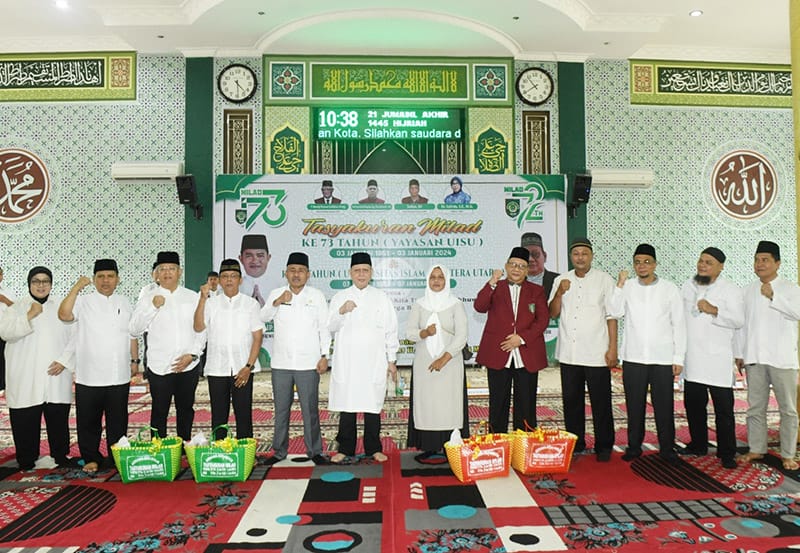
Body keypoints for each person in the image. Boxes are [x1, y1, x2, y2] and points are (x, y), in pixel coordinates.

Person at [58, 259, 139, 474]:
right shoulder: (82, 301)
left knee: (118, 421)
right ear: (94, 280)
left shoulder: (124, 301)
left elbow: (131, 334)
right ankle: (91, 457)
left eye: (110, 276)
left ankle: (117, 458)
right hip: (89, 374)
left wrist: (135, 360)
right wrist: (76, 288)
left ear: (117, 279)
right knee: (88, 421)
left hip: (118, 373)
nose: (105, 280)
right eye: (101, 276)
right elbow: (64, 315)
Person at [608, 244, 686, 463]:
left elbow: (679, 324)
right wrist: (620, 285)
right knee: (634, 405)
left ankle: (667, 448)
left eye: (646, 261)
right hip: (634, 358)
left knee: (664, 406)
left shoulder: (670, 289)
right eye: (637, 262)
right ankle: (634, 447)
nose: (641, 266)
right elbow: (615, 311)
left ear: (655, 264)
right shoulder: (628, 287)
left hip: (662, 358)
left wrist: (678, 357)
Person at [548, 238, 617, 462]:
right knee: (571, 400)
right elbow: (553, 313)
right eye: (576, 253)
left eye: (584, 253)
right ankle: (575, 443)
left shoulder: (604, 280)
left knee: (601, 401)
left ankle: (604, 445)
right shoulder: (561, 279)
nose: (580, 257)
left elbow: (611, 316)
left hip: (597, 351)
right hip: (570, 352)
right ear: (571, 257)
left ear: (591, 256)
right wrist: (559, 292)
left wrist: (612, 349)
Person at [0, 266, 76, 470]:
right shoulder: (16, 307)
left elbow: (75, 336)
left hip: (56, 373)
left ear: (51, 284)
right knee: (25, 417)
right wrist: (29, 316)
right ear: (29, 284)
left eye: (45, 281)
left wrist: (64, 361)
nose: (41, 285)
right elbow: (5, 332)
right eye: (36, 281)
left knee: (58, 417)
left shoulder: (61, 306)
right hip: (25, 374)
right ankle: (26, 459)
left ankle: (60, 456)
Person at [735, 241, 800, 471]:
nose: (760, 264)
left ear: (777, 263)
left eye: (765, 260)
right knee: (755, 407)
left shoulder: (790, 289)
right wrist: (739, 353)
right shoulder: (748, 290)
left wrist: (774, 297)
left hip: (782, 359)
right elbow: (741, 325)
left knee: (788, 409)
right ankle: (756, 448)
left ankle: (789, 454)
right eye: (757, 259)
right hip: (755, 358)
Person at [261, 252, 331, 466]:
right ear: (286, 273)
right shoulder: (277, 293)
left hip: (308, 363)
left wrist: (324, 355)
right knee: (281, 409)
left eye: (301, 271)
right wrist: (277, 302)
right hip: (281, 364)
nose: (296, 274)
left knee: (309, 409)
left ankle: (315, 451)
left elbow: (324, 328)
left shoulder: (316, 296)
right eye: (292, 270)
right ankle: (278, 451)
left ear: (308, 274)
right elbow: (261, 318)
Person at [328, 252, 398, 463]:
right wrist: (341, 311)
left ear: (371, 273)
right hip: (347, 361)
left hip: (373, 361)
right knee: (347, 405)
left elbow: (391, 329)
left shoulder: (381, 297)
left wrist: (392, 359)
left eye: (365, 270)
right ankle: (346, 448)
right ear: (350, 273)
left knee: (372, 405)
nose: (361, 274)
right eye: (357, 271)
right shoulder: (340, 297)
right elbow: (329, 327)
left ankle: (373, 448)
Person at [129, 251, 204, 441]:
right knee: (159, 410)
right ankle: (159, 448)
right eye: (162, 269)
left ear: (180, 272)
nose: (167, 273)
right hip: (159, 365)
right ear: (156, 274)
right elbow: (134, 329)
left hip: (188, 364)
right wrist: (152, 307)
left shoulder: (192, 297)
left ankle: (184, 445)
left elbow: (202, 329)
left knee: (185, 409)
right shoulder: (148, 297)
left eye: (172, 269)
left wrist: (193, 355)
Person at [680, 247, 743, 470]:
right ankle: (698, 444)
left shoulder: (731, 290)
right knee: (694, 406)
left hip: (717, 358)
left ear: (720, 266)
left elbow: (738, 320)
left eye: (708, 262)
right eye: (700, 260)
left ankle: (727, 452)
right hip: (693, 358)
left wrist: (713, 309)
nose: (702, 265)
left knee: (723, 410)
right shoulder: (688, 286)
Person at [474, 246, 549, 433]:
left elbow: (543, 320)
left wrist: (522, 338)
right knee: (498, 402)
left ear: (527, 270)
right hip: (499, 353)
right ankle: (498, 445)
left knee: (526, 403)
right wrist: (491, 282)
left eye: (522, 266)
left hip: (527, 353)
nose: (517, 269)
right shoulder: (495, 287)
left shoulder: (537, 291)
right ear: (506, 266)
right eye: (513, 265)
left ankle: (523, 446)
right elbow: (479, 306)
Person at [406, 264, 468, 462]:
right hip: (425, 363)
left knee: (449, 404)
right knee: (427, 404)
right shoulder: (419, 304)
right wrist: (424, 332)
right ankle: (429, 446)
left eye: (440, 277)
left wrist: (444, 358)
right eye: (433, 276)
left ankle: (449, 445)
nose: (436, 280)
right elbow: (409, 332)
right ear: (427, 279)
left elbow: (462, 336)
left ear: (446, 279)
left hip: (450, 363)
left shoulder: (455, 304)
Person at [194, 259, 262, 441]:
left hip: (243, 368)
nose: (229, 280)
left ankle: (246, 453)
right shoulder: (210, 304)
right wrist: (202, 299)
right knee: (218, 415)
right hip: (217, 367)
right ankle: (219, 453)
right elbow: (199, 327)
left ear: (240, 280)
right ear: (219, 280)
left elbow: (257, 337)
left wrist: (248, 366)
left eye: (233, 276)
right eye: (225, 276)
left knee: (243, 414)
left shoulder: (251, 304)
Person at [521, 232, 559, 299]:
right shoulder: (514, 282)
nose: (530, 259)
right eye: (526, 255)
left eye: (535, 254)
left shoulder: (558, 280)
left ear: (544, 256)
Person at [238, 234, 273, 307]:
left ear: (268, 258)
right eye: (249, 256)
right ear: (241, 259)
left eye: (260, 255)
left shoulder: (279, 287)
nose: (255, 260)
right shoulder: (235, 287)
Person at [0, 265, 16, 392]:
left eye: (0, 274)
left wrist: (4, 300)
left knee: (3, 358)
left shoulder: (8, 292)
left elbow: (17, 309)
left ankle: (2, 385)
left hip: (3, 330)